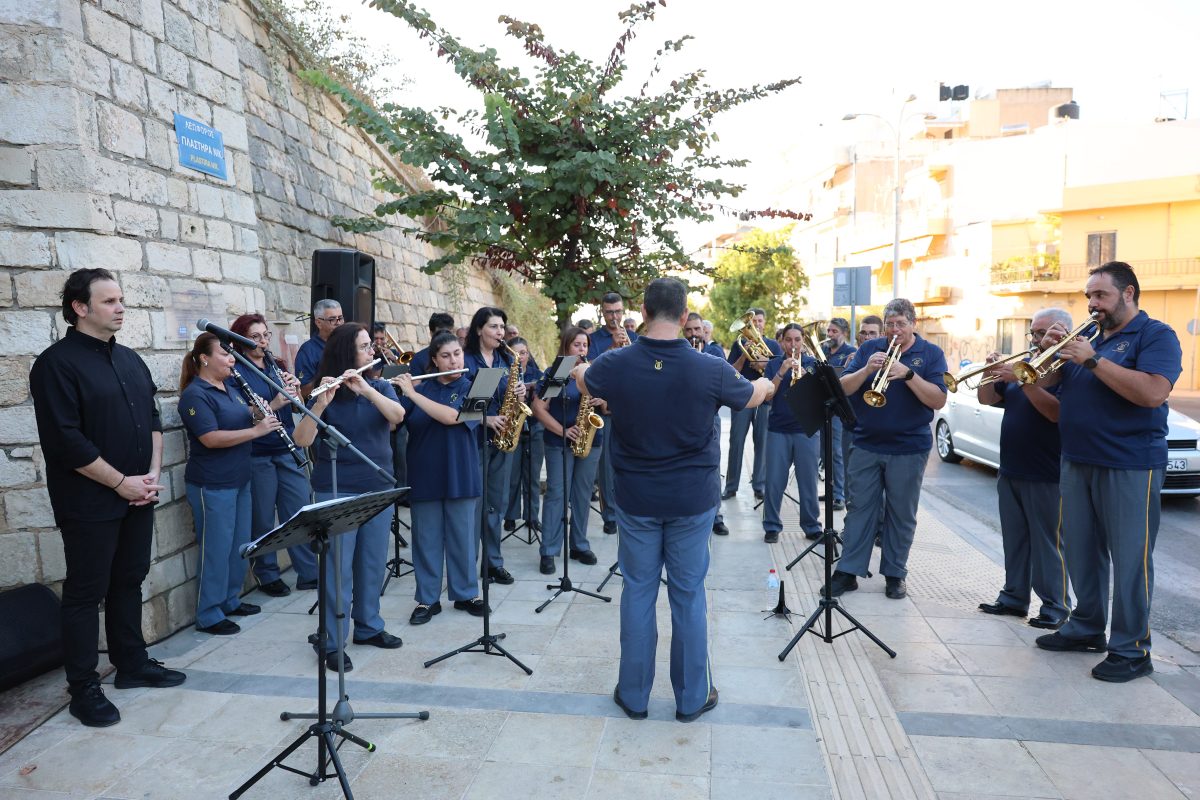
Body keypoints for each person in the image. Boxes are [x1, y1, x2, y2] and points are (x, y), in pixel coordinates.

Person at [575, 277, 773, 723]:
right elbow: (751, 397)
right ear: (685, 316)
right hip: (691, 500)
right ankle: (690, 698)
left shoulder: (616, 362)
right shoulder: (710, 367)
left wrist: (581, 372)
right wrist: (767, 385)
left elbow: (583, 377)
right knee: (688, 596)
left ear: (644, 312)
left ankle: (634, 696)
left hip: (636, 499)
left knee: (638, 592)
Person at [30, 268, 184, 728]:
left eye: (121, 300)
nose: (120, 308)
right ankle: (83, 688)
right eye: (109, 301)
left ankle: (131, 663)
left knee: (129, 580)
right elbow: (65, 441)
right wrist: (120, 482)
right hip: (89, 501)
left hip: (138, 492)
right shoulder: (55, 364)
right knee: (85, 593)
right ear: (80, 307)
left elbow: (152, 421)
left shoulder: (130, 359)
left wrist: (150, 476)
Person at [1033, 262, 1182, 682]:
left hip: (1130, 464)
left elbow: (1153, 393)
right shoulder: (1090, 337)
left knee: (1131, 560)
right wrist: (1052, 350)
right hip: (1077, 459)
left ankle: (1132, 650)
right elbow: (1043, 385)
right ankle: (1086, 627)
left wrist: (1094, 360)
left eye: (1101, 295)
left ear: (1128, 293)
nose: (1092, 304)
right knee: (1081, 551)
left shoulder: (1156, 335)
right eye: (1089, 297)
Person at [293, 324, 407, 671]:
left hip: (378, 485)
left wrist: (367, 390)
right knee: (337, 569)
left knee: (371, 562)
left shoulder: (380, 386)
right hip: (337, 488)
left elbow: (398, 417)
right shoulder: (323, 393)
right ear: (346, 353)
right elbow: (302, 440)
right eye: (364, 346)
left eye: (371, 345)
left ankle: (369, 626)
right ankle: (331, 641)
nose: (372, 351)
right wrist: (321, 402)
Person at [824, 299, 948, 600]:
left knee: (901, 513)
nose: (895, 330)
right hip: (866, 442)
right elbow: (843, 387)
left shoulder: (931, 354)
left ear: (913, 324)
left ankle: (895, 573)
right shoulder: (870, 348)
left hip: (909, 447)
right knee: (859, 509)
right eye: (890, 324)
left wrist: (908, 375)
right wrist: (867, 368)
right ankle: (848, 572)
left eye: (901, 324)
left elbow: (937, 399)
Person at [179, 333, 284, 635]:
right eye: (225, 355)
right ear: (204, 359)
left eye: (231, 355)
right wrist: (257, 431)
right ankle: (209, 614)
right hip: (212, 483)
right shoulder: (195, 395)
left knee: (238, 545)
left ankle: (229, 599)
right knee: (216, 548)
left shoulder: (231, 387)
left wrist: (268, 407)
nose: (231, 360)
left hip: (240, 478)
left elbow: (244, 415)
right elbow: (210, 438)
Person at [975, 308, 1072, 629]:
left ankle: (1056, 605)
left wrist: (1022, 379)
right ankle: (1014, 598)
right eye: (1034, 332)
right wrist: (989, 372)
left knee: (1048, 544)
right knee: (1014, 540)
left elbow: (1056, 413)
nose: (1036, 339)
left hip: (1047, 472)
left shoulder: (1067, 369)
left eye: (1043, 332)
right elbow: (987, 398)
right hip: (1011, 468)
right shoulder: (1027, 364)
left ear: (1063, 333)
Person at [392, 331, 487, 624]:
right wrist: (389, 389)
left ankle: (466, 594)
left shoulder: (477, 386)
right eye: (446, 356)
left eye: (457, 353)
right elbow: (394, 422)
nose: (453, 360)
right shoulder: (420, 387)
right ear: (434, 360)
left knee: (463, 539)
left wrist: (413, 394)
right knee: (426, 540)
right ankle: (427, 600)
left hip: (461, 473)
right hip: (424, 473)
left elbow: (453, 418)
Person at [229, 313, 316, 595]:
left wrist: (296, 393)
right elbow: (238, 411)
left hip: (287, 446)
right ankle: (267, 575)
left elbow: (296, 406)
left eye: (265, 335)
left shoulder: (276, 365)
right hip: (258, 451)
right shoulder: (235, 370)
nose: (263, 341)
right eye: (255, 337)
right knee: (263, 518)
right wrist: (274, 403)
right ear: (240, 340)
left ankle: (308, 571)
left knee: (299, 511)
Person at [463, 306, 527, 585]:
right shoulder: (466, 360)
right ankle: (468, 565)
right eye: (493, 326)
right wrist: (485, 419)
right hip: (475, 440)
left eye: (502, 327)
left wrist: (521, 393)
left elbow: (514, 396)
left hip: (502, 439)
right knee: (474, 505)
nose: (500, 332)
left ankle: (493, 563)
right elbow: (458, 402)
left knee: (496, 505)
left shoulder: (507, 359)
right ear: (479, 329)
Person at [533, 327, 603, 574]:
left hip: (590, 440)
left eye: (585, 345)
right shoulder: (557, 373)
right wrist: (563, 431)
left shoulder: (594, 372)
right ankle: (549, 550)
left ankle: (579, 545)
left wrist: (602, 400)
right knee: (557, 494)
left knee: (582, 494)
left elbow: (609, 407)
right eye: (577, 345)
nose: (582, 349)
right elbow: (539, 409)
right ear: (566, 346)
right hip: (558, 442)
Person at [762, 325, 822, 544]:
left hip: (807, 430)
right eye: (788, 340)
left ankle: (812, 526)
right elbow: (767, 396)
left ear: (803, 340)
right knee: (774, 481)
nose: (793, 344)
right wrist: (781, 371)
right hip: (779, 429)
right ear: (782, 342)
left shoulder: (813, 363)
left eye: (797, 339)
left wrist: (807, 378)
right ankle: (771, 526)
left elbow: (821, 397)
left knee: (808, 481)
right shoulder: (773, 364)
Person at [589, 292, 639, 535]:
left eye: (618, 311)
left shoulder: (635, 338)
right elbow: (589, 369)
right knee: (607, 466)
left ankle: (632, 509)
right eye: (609, 312)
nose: (614, 317)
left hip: (631, 408)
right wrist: (612, 347)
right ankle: (610, 515)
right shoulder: (594, 340)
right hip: (605, 410)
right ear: (602, 312)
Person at [723, 307, 783, 501]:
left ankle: (759, 485)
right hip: (743, 398)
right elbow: (731, 371)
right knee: (736, 442)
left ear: (765, 323)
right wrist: (744, 354)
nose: (756, 324)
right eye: (753, 321)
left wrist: (764, 364)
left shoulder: (773, 345)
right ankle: (731, 486)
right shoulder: (738, 344)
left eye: (759, 321)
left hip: (765, 398)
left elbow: (780, 370)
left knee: (762, 443)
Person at [684, 313, 729, 535]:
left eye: (697, 329)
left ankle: (715, 516)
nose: (693, 334)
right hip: (684, 418)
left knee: (712, 465)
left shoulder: (715, 352)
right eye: (689, 330)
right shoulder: (679, 353)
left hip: (710, 417)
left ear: (704, 330)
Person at [503, 336, 544, 535]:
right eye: (516, 353)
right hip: (513, 426)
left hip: (534, 427)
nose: (521, 357)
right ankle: (510, 516)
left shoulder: (538, 375)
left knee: (533, 475)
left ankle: (532, 516)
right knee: (512, 476)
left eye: (524, 353)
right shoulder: (505, 374)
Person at [820, 318, 857, 511]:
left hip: (838, 408)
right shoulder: (824, 351)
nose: (829, 335)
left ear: (844, 333)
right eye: (829, 331)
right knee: (824, 452)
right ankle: (830, 489)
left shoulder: (851, 353)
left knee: (836, 453)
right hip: (823, 406)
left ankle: (839, 495)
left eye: (834, 331)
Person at [294, 299, 344, 396]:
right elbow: (302, 391)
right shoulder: (307, 351)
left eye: (340, 318)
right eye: (332, 319)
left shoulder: (349, 342)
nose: (338, 323)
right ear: (318, 323)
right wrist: (324, 377)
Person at [410, 312, 456, 378]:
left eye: (448, 333)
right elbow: (416, 383)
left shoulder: (459, 355)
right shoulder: (418, 359)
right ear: (431, 333)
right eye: (440, 333)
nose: (445, 337)